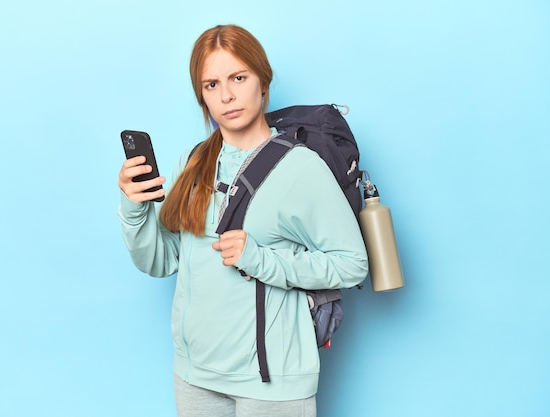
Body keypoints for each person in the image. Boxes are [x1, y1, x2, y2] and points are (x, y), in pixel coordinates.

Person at [117, 24, 368, 417]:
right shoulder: (193, 159)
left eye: (238, 77)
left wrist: (260, 259)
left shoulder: (301, 168)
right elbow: (162, 260)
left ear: (262, 81)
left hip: (271, 381)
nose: (227, 95)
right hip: (195, 373)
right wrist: (135, 207)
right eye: (211, 84)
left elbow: (352, 263)